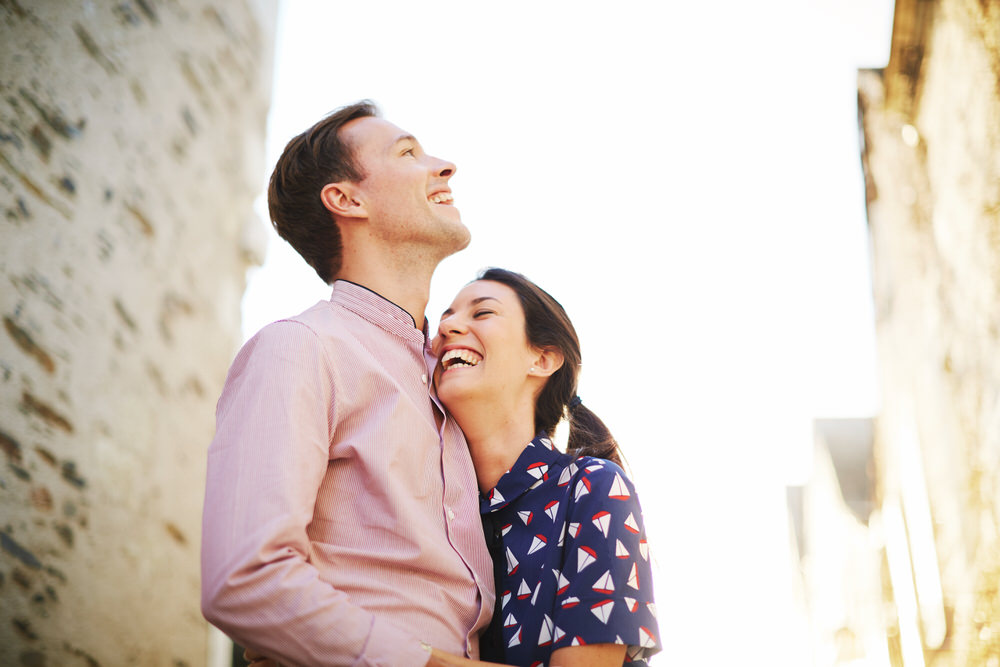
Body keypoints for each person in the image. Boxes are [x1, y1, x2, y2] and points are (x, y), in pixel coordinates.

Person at [200, 101, 495, 665]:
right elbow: (244, 579)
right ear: (346, 199)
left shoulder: (448, 384)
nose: (445, 166)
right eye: (408, 152)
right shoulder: (300, 348)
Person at [427, 268, 661, 666]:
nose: (448, 325)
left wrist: (391, 653)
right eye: (446, 316)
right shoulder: (427, 503)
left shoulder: (594, 487)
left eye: (481, 314)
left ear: (543, 358)